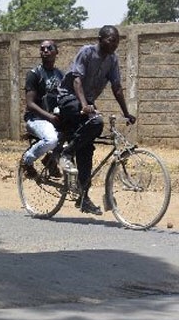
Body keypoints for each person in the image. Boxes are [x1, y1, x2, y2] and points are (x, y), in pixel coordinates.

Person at [57, 25, 136, 215]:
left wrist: (126, 112)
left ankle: (83, 198)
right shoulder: (87, 52)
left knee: (87, 150)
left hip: (87, 103)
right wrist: (84, 105)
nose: (115, 44)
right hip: (68, 98)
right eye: (111, 40)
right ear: (100, 39)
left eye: (117, 41)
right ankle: (66, 154)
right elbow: (76, 80)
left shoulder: (112, 59)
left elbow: (116, 87)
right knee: (96, 123)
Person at [20, 40, 64, 179]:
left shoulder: (60, 75)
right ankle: (27, 160)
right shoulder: (34, 74)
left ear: (56, 52)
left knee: (77, 137)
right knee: (51, 140)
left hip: (54, 119)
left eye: (49, 48)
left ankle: (50, 160)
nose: (45, 51)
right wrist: (50, 117)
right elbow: (30, 104)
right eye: (42, 49)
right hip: (36, 119)